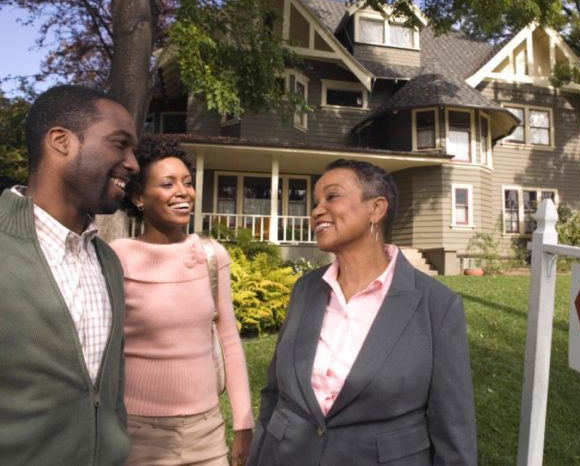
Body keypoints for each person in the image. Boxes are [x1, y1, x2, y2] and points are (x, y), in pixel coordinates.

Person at [248, 159, 477, 466]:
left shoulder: (436, 305)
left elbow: (453, 429)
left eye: (332, 196)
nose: (316, 211)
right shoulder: (305, 289)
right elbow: (274, 394)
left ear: (376, 209)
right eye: (315, 202)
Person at [0, 84, 139, 464]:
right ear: (61, 141)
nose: (133, 163)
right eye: (119, 143)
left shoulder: (108, 261)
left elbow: (113, 388)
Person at [110, 137, 254, 466]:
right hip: (138, 434)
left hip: (207, 432)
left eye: (187, 183)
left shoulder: (210, 255)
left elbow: (229, 339)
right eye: (167, 183)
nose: (183, 192)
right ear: (138, 197)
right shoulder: (118, 256)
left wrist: (244, 423)